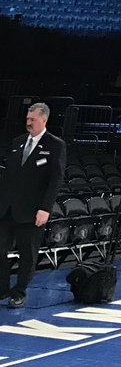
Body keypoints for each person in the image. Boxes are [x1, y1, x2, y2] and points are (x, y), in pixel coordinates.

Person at [0, 102, 67, 308]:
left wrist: (45, 208)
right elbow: (8, 175)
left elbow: (55, 180)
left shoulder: (55, 144)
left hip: (32, 210)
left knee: (27, 253)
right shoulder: (17, 142)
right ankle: (2, 288)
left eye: (32, 119)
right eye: (27, 119)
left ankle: (19, 291)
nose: (28, 122)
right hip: (7, 208)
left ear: (44, 119)